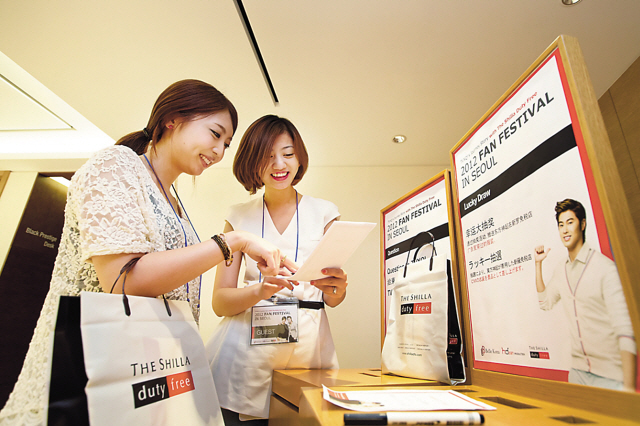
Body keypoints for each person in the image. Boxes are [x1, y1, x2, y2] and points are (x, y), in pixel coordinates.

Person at [0, 80, 294, 425]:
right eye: (215, 134)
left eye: (226, 144)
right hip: (93, 371)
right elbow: (125, 280)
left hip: (145, 375)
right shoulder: (116, 165)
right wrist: (233, 242)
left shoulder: (175, 201)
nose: (219, 151)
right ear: (172, 119)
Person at [205, 115, 348, 425]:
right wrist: (261, 289)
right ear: (251, 161)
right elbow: (220, 303)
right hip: (244, 349)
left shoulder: (325, 212)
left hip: (309, 348)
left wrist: (338, 290)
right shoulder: (238, 218)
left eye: (287, 152)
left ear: (299, 157)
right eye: (267, 155)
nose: (279, 164)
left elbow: (332, 298)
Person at [534, 198, 637, 391]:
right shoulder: (561, 271)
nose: (564, 230)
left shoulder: (604, 268)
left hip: (609, 376)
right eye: (561, 225)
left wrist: (629, 390)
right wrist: (538, 264)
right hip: (577, 373)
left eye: (570, 222)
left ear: (582, 224)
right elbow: (545, 302)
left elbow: (625, 332)